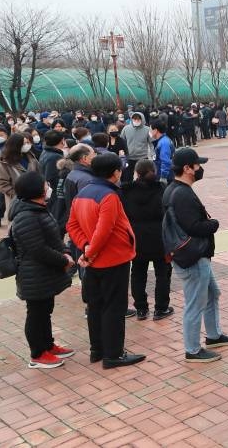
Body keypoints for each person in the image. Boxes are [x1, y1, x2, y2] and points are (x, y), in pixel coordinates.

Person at [66, 154, 146, 369]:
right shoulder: (109, 195)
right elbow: (104, 230)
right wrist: (90, 251)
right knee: (114, 307)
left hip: (94, 260)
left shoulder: (82, 193)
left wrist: (85, 247)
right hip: (112, 258)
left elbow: (72, 225)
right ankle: (113, 354)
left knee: (95, 306)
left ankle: (98, 350)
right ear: (116, 172)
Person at [164, 147, 228, 363]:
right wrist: (213, 224)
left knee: (212, 293)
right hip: (192, 257)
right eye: (197, 165)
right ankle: (193, 349)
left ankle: (214, 335)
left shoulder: (174, 189)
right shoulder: (182, 194)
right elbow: (194, 227)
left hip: (192, 255)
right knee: (195, 303)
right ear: (187, 168)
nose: (200, 168)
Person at [11, 171, 75, 369]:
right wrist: (63, 260)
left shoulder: (38, 208)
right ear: (35, 189)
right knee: (36, 313)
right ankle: (37, 354)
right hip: (34, 274)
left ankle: (48, 345)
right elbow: (38, 249)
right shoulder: (26, 216)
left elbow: (54, 238)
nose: (48, 187)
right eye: (44, 184)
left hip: (44, 273)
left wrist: (65, 251)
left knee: (45, 311)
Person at [121, 160, 173, 322]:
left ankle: (141, 309)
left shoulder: (126, 190)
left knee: (138, 272)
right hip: (159, 237)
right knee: (163, 273)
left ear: (136, 173)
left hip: (136, 238)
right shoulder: (162, 188)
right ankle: (161, 308)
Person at [0, 133, 39, 214]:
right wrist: (16, 194)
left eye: (27, 143)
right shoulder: (5, 162)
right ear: (16, 145)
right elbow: (0, 183)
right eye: (24, 143)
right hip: (16, 202)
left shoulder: (31, 157)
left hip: (34, 198)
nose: (27, 145)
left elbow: (39, 174)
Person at [120, 112, 151, 183]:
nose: (136, 120)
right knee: (127, 176)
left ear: (142, 119)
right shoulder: (126, 128)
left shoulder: (147, 129)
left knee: (143, 176)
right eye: (134, 119)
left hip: (142, 157)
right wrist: (122, 153)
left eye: (138, 119)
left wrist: (153, 153)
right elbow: (121, 140)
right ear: (132, 119)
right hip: (129, 157)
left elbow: (151, 142)